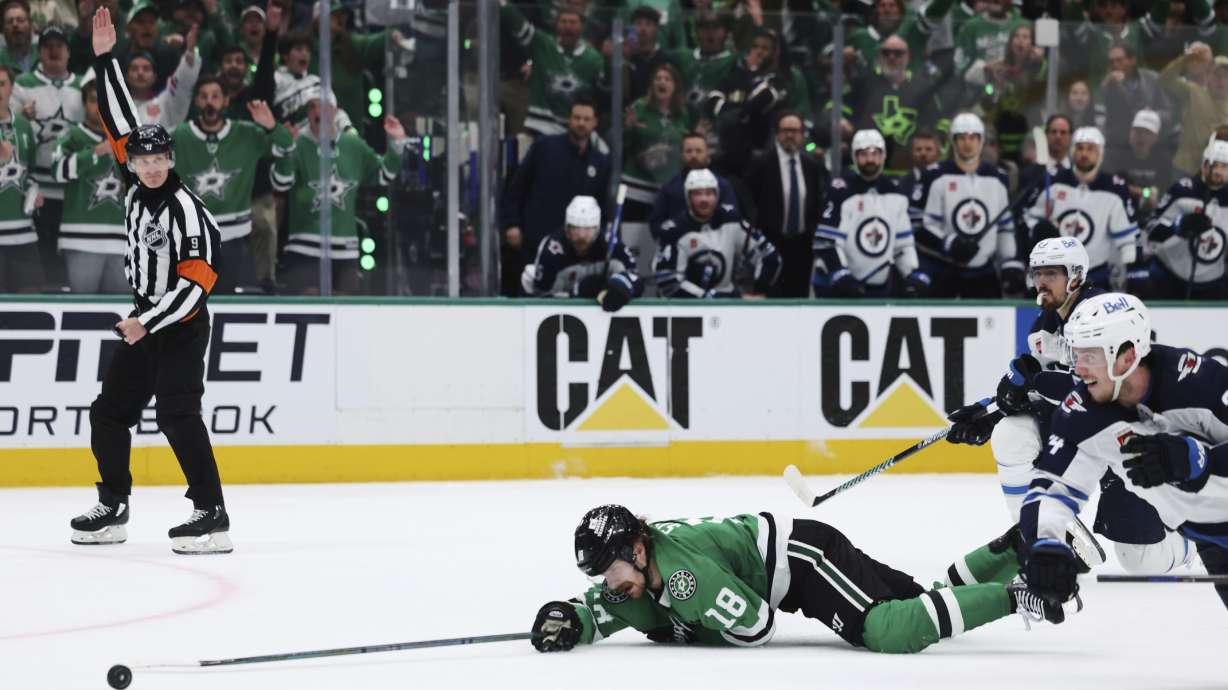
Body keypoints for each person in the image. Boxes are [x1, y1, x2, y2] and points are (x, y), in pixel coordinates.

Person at [70, 7, 230, 554]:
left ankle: (211, 514)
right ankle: (113, 505)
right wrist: (104, 58)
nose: (152, 166)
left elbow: (196, 286)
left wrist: (147, 321)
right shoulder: (136, 188)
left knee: (177, 413)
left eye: (160, 157)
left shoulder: (188, 212)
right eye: (143, 159)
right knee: (109, 412)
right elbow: (120, 120)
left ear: (170, 158)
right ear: (132, 165)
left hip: (178, 323)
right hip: (144, 318)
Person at [943, 239, 1186, 587]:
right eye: (1037, 273)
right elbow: (1035, 388)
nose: (1042, 281)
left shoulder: (1104, 314)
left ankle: (1199, 542)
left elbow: (1095, 389)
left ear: (1075, 276)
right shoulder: (1044, 324)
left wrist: (1032, 381)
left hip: (1130, 437)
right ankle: (1040, 541)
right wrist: (987, 413)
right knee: (1011, 434)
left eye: (1052, 273)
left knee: (1139, 558)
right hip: (1086, 436)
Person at [528, 504, 1074, 655]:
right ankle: (1012, 551)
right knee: (926, 598)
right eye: (600, 576)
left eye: (612, 570)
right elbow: (612, 605)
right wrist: (572, 616)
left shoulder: (684, 577)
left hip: (804, 560)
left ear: (639, 549)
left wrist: (678, 630)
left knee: (888, 629)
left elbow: (756, 627)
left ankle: (1021, 593)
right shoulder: (639, 569)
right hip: (795, 550)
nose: (608, 583)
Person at [1019, 292, 1228, 612]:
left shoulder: (1201, 382)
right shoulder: (1080, 412)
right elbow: (1051, 486)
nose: (1079, 369)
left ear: (1128, 357)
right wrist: (1046, 543)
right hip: (1213, 537)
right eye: (1076, 355)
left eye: (1090, 356)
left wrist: (1198, 459)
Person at [270, 92, 407, 295]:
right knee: (308, 306)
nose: (317, 111)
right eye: (312, 107)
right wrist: (285, 150)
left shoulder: (353, 146)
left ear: (334, 111)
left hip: (345, 250)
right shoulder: (297, 143)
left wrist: (397, 143)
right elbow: (280, 182)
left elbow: (383, 174)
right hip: (304, 248)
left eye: (323, 106)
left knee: (344, 309)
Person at [173, 77, 293, 294]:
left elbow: (286, 146)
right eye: (204, 97)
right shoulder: (179, 136)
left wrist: (271, 125)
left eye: (216, 96)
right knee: (191, 303)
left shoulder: (247, 134)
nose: (210, 102)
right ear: (197, 102)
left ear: (226, 101)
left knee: (225, 301)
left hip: (234, 236)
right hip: (192, 236)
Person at [501, 95, 610, 295]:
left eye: (586, 119)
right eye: (577, 118)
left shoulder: (600, 161)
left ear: (594, 123)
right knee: (531, 293)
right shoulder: (545, 147)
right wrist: (512, 223)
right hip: (536, 240)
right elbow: (517, 186)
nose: (581, 123)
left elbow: (602, 204)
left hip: (576, 248)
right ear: (569, 119)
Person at [911, 112, 1020, 298]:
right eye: (962, 138)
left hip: (985, 273)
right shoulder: (935, 176)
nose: (967, 143)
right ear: (953, 141)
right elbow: (920, 226)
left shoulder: (998, 178)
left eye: (973, 138)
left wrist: (1009, 261)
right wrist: (948, 243)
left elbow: (1004, 229)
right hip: (944, 270)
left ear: (982, 140)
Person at [12, 24, 86, 290]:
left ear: (68, 51)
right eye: (47, 46)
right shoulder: (22, 85)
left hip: (73, 187)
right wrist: (22, 117)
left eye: (59, 46)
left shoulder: (82, 86)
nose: (53, 51)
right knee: (42, 250)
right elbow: (9, 128)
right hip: (39, 186)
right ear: (39, 51)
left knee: (69, 248)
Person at [812, 129, 924, 299]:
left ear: (883, 155)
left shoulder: (896, 193)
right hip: (837, 288)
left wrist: (912, 274)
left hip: (880, 289)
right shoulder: (840, 190)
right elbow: (826, 242)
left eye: (875, 153)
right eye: (863, 154)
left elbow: (902, 246)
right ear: (854, 157)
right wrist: (840, 274)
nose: (870, 159)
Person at [1021, 127, 1137, 289]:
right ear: (1072, 151)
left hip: (1096, 275)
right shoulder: (1053, 181)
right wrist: (1040, 232)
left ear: (1101, 153)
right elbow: (1029, 218)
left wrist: (1128, 278)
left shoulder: (1115, 189)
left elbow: (1127, 241)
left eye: (1091, 149)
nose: (1084, 154)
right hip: (1056, 275)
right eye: (1080, 148)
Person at [51, 75, 127, 294]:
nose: (100, 108)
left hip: (122, 239)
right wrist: (93, 153)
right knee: (82, 311)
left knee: (121, 313)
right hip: (80, 239)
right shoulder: (71, 136)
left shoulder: (128, 141)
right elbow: (57, 172)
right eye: (94, 100)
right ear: (85, 104)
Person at [654, 168, 779, 299]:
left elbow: (769, 255)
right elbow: (668, 283)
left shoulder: (731, 220)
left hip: (728, 306)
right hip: (689, 310)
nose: (704, 199)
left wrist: (758, 290)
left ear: (717, 195)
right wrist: (709, 298)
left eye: (709, 193)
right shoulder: (674, 231)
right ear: (688, 197)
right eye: (697, 193)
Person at [619, 62, 692, 285]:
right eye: (658, 78)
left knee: (661, 239)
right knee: (632, 238)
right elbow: (622, 146)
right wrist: (629, 129)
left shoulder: (682, 115)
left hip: (666, 191)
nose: (662, 82)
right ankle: (628, 278)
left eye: (667, 79)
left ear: (675, 87)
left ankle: (661, 282)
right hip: (636, 188)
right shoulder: (639, 108)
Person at [1133, 139, 1228, 300]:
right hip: (1168, 277)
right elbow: (1151, 229)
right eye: (1213, 165)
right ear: (1203, 166)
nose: (1218, 171)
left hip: (1213, 285)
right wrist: (1178, 225)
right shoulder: (1183, 190)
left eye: (1224, 166)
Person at [745, 111, 827, 297]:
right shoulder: (761, 163)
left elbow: (816, 206)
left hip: (802, 248)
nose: (790, 135)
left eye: (795, 130)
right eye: (785, 130)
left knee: (799, 299)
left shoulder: (811, 166)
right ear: (777, 134)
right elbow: (750, 200)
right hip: (770, 246)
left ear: (802, 135)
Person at [499, 0, 604, 139]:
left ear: (582, 27)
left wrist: (610, 60)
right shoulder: (543, 44)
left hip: (575, 130)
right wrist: (503, 4)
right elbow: (518, 23)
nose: (568, 26)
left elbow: (605, 91)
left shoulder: (594, 59)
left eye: (573, 22)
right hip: (540, 126)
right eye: (564, 21)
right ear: (556, 25)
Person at [520, 195, 641, 312]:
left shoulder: (612, 244)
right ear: (567, 228)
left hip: (603, 309)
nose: (581, 236)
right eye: (575, 228)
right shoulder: (552, 250)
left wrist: (620, 285)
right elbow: (542, 297)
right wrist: (577, 292)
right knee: (529, 274)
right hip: (563, 302)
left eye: (588, 229)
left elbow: (635, 278)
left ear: (598, 228)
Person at [841, 34, 940, 177]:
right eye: (886, 53)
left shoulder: (922, 86)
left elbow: (937, 120)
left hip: (910, 171)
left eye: (897, 53)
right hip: (866, 167)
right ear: (880, 56)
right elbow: (840, 108)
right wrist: (842, 121)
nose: (891, 57)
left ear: (908, 57)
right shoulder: (864, 82)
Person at [1158, 42, 1228, 178]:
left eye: (1226, 76)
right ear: (1207, 76)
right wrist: (1186, 58)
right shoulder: (1193, 92)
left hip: (1219, 171)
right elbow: (1164, 80)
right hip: (1186, 170)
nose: (1221, 80)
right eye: (1217, 74)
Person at [0, 63, 39, 293]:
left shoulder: (24, 126)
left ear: (11, 88)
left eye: (2, 84)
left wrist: (36, 190)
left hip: (23, 232)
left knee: (31, 300)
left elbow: (30, 170)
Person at [123, 27, 201, 130]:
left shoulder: (167, 102)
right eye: (134, 68)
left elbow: (182, 82)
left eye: (146, 69)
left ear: (154, 77)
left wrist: (190, 51)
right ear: (126, 76)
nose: (140, 73)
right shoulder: (117, 107)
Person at [1106, 109, 1172, 223]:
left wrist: (1147, 194)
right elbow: (1109, 184)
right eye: (1137, 131)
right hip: (1117, 210)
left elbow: (1161, 190)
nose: (1141, 136)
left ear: (1155, 137)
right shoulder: (1117, 155)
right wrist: (1142, 192)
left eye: (1147, 132)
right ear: (1130, 132)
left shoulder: (1162, 160)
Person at [0, 0, 37, 74]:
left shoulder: (43, 53)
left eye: (20, 20)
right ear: (3, 28)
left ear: (30, 24)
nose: (15, 24)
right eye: (10, 21)